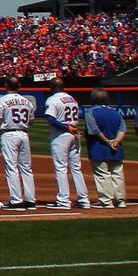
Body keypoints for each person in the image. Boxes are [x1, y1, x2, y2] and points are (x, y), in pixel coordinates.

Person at [41, 78, 91, 210]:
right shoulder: (72, 99)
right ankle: (84, 199)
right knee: (76, 168)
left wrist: (66, 127)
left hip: (61, 135)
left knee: (61, 168)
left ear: (52, 87)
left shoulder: (52, 99)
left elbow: (51, 120)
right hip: (74, 133)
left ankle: (63, 200)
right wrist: (70, 128)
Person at [0, 77, 37, 211]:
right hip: (23, 134)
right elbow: (31, 121)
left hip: (9, 134)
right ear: (19, 86)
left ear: (6, 85)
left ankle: (16, 200)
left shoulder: (1, 101)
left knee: (12, 168)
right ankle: (30, 200)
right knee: (26, 168)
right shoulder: (27, 101)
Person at [83, 88, 129, 209]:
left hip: (98, 147)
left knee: (102, 173)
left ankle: (106, 200)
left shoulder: (90, 112)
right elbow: (123, 129)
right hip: (116, 148)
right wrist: (116, 141)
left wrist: (108, 142)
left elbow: (95, 131)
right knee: (117, 174)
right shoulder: (115, 112)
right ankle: (120, 200)